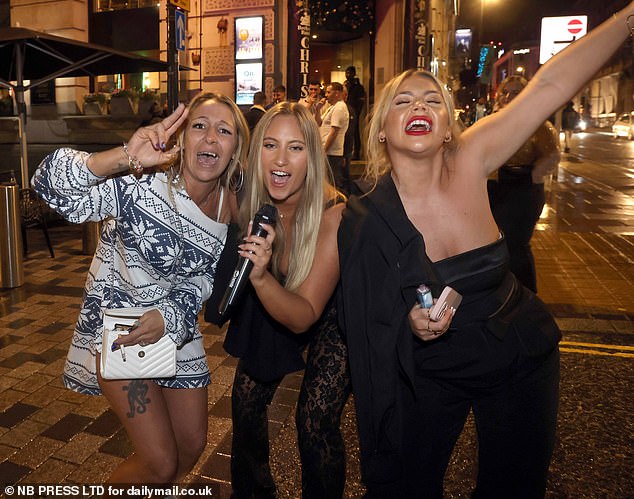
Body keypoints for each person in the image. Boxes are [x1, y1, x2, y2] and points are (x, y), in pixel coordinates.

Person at [337, 5, 634, 497]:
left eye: (432, 101)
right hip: (431, 373)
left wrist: (628, 19)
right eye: (403, 101)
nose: (419, 108)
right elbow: (363, 318)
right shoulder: (365, 218)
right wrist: (409, 321)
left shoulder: (471, 158)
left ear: (449, 127)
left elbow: (549, 87)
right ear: (381, 129)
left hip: (518, 349)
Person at [31, 92, 249, 486]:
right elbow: (48, 185)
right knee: (160, 463)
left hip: (175, 331)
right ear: (180, 138)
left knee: (190, 447)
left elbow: (206, 281)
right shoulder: (142, 181)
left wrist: (167, 317)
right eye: (199, 126)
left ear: (235, 148)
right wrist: (122, 157)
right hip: (120, 331)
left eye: (224, 130)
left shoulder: (233, 205)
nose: (210, 138)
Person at [205, 102, 349, 498]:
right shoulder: (247, 200)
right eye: (270, 145)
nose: (281, 159)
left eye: (296, 147)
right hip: (272, 303)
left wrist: (261, 276)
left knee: (314, 419)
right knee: (246, 400)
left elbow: (304, 316)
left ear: (313, 157)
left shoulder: (333, 214)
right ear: (256, 153)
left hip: (332, 315)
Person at [488, 75, 560, 292]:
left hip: (524, 189)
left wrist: (532, 177)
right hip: (496, 187)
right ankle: (504, 293)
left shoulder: (538, 124)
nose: (510, 96)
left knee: (517, 244)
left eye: (517, 91)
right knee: (497, 244)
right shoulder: (493, 122)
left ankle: (527, 295)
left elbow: (552, 155)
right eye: (507, 92)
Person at [316, 82, 350, 194]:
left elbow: (334, 131)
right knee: (326, 182)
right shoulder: (331, 107)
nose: (326, 95)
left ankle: (336, 207)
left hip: (332, 152)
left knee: (333, 183)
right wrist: (317, 109)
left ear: (337, 93)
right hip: (326, 150)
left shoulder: (340, 107)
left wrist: (324, 150)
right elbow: (319, 123)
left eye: (328, 92)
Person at [344, 66, 366, 159]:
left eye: (350, 73)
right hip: (345, 110)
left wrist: (356, 112)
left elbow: (361, 101)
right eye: (347, 73)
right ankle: (346, 152)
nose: (348, 75)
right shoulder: (345, 85)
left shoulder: (358, 87)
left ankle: (356, 152)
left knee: (355, 133)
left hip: (354, 111)